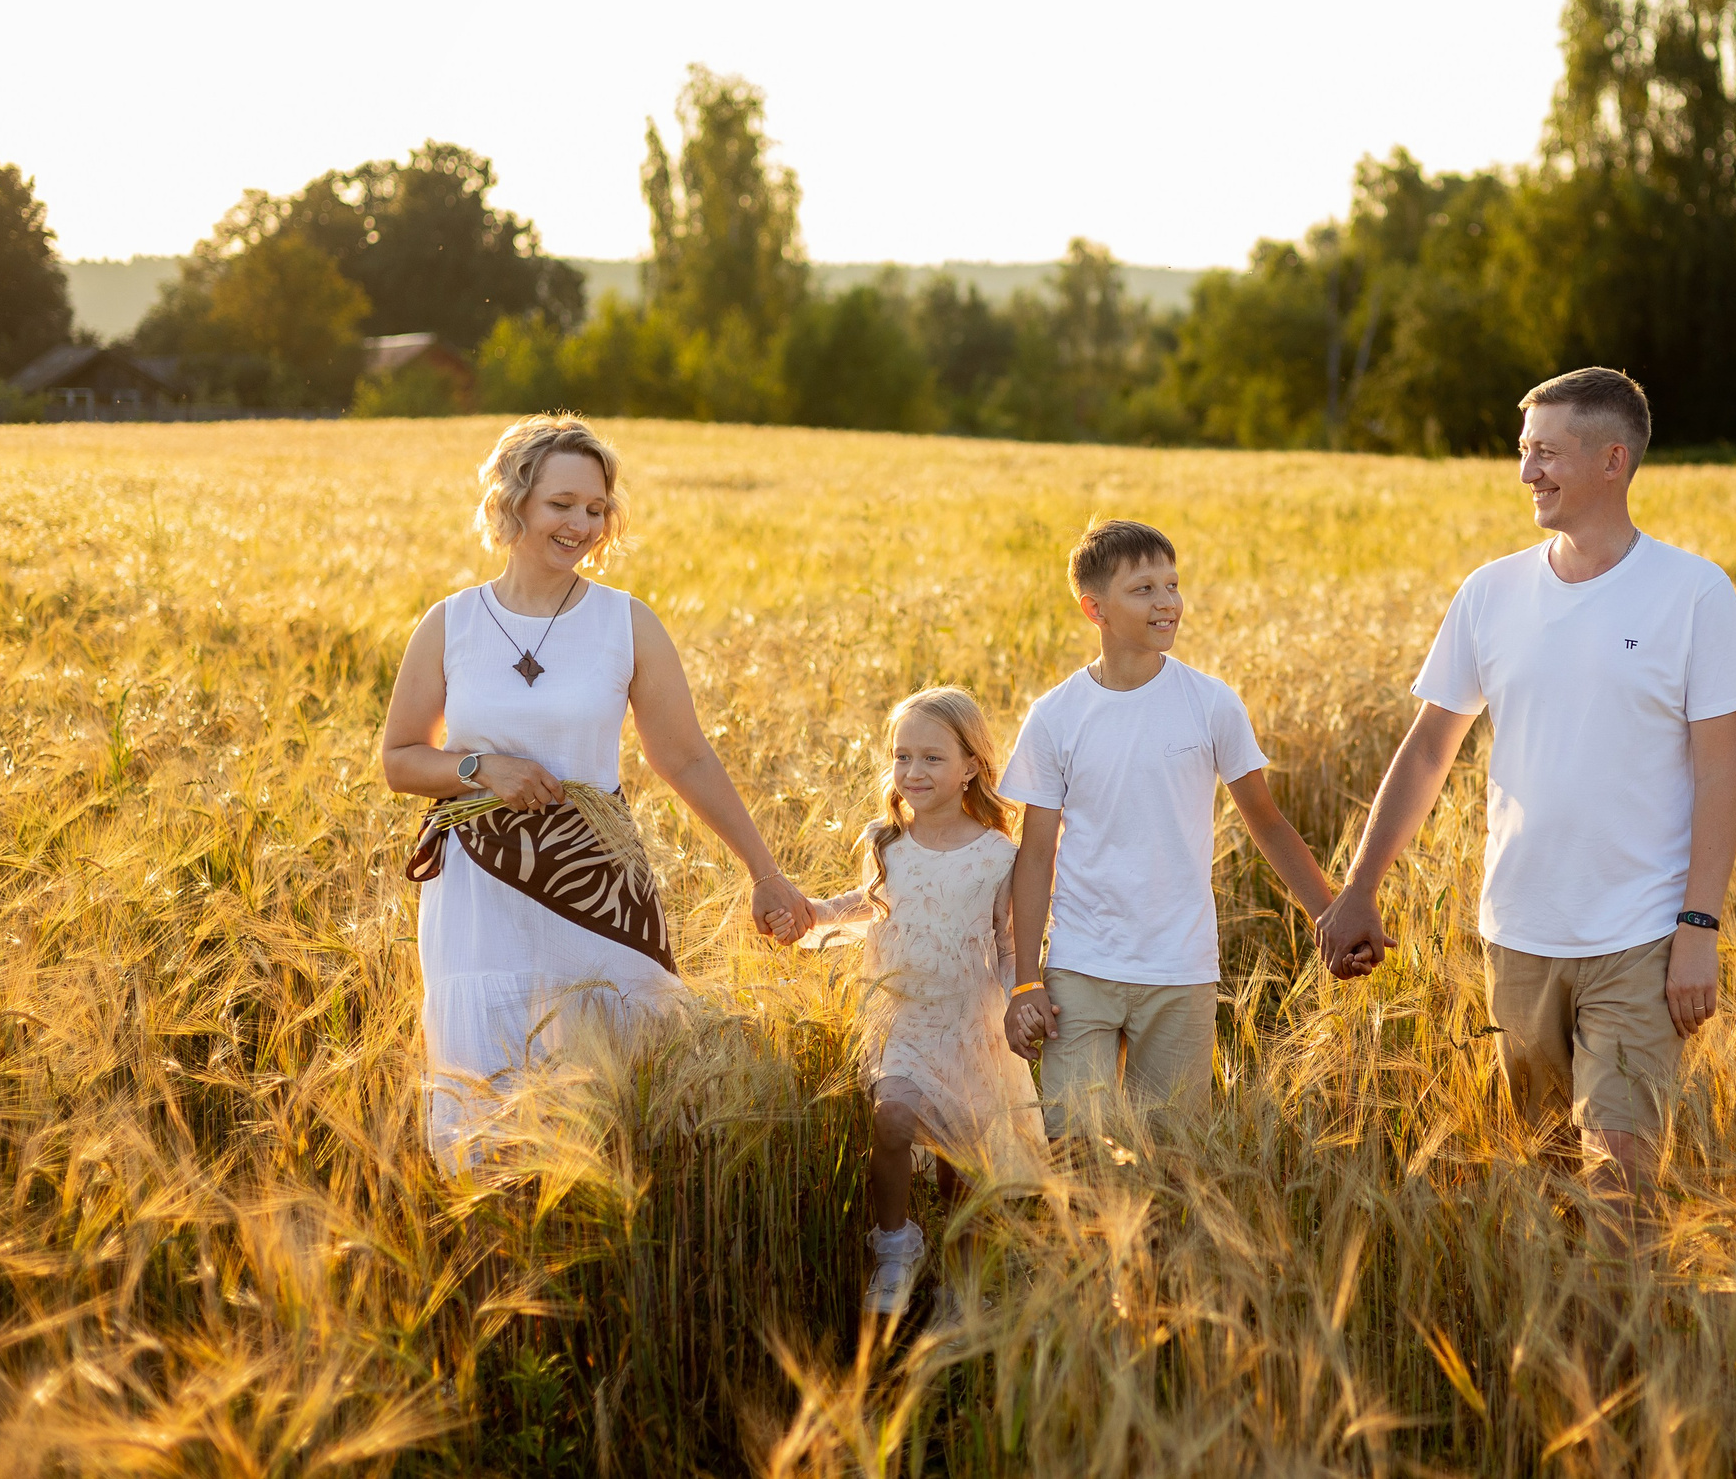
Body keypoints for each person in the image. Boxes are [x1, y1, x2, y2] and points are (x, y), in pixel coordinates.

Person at [1315, 368, 1736, 1209]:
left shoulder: (1693, 591)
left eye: (1547, 454)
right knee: (1545, 1183)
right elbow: (1425, 752)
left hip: (1641, 935)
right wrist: (1360, 887)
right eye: (1525, 453)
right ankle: (1569, 1344)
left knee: (1619, 1180)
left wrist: (1700, 925)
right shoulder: (1490, 592)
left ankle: (1622, 1344)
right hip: (1517, 933)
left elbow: (1719, 766)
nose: (1528, 474)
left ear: (1613, 461)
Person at [380, 414, 812, 1166]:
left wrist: (763, 870)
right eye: (561, 504)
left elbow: (687, 758)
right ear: (512, 502)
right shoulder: (449, 624)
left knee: (617, 1098)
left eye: (595, 508)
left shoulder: (626, 622)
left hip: (596, 881)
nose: (581, 523)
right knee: (490, 1097)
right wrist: (483, 769)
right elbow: (399, 759)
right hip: (480, 894)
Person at [997, 519, 1335, 1137]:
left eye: (1173, 585)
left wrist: (1329, 912)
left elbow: (1264, 819)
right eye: (1144, 589)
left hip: (1180, 967)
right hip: (1080, 967)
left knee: (1173, 1159)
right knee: (1078, 1146)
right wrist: (1024, 981)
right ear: (1093, 608)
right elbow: (1036, 854)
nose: (1167, 602)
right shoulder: (1054, 717)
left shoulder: (1210, 703)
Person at [760, 686, 1044, 1319]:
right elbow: (872, 905)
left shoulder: (1000, 855)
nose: (912, 772)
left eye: (932, 759)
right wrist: (813, 916)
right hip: (905, 1019)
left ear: (971, 765)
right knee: (892, 1120)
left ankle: (963, 1284)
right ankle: (895, 1246)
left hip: (970, 1025)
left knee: (962, 1166)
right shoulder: (885, 841)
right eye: (901, 756)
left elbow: (1007, 945)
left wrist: (1019, 997)